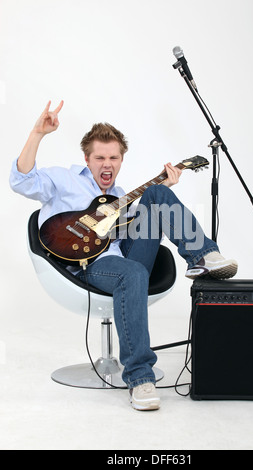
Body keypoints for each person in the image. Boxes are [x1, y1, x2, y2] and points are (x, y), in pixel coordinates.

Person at [10, 101, 238, 411]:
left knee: (157, 195)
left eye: (114, 157)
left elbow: (143, 223)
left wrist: (165, 187)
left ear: (121, 160)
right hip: (89, 266)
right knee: (132, 273)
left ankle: (204, 256)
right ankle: (140, 378)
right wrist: (38, 133)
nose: (107, 164)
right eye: (100, 157)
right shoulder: (62, 180)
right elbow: (21, 181)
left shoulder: (118, 196)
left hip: (123, 253)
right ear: (87, 159)